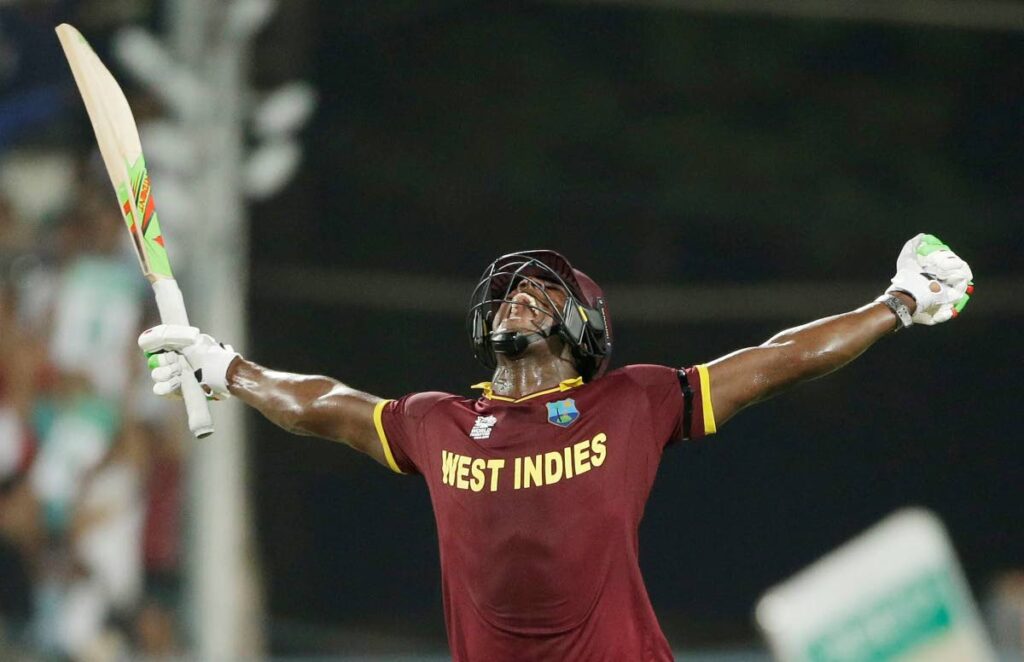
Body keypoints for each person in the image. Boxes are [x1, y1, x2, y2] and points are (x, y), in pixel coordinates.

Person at [138, 233, 972, 661]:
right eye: (507, 294)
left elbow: (777, 361)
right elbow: (325, 405)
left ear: (585, 328)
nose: (518, 300)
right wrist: (224, 365)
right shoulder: (438, 423)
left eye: (541, 292)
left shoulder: (634, 401)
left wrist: (897, 302)